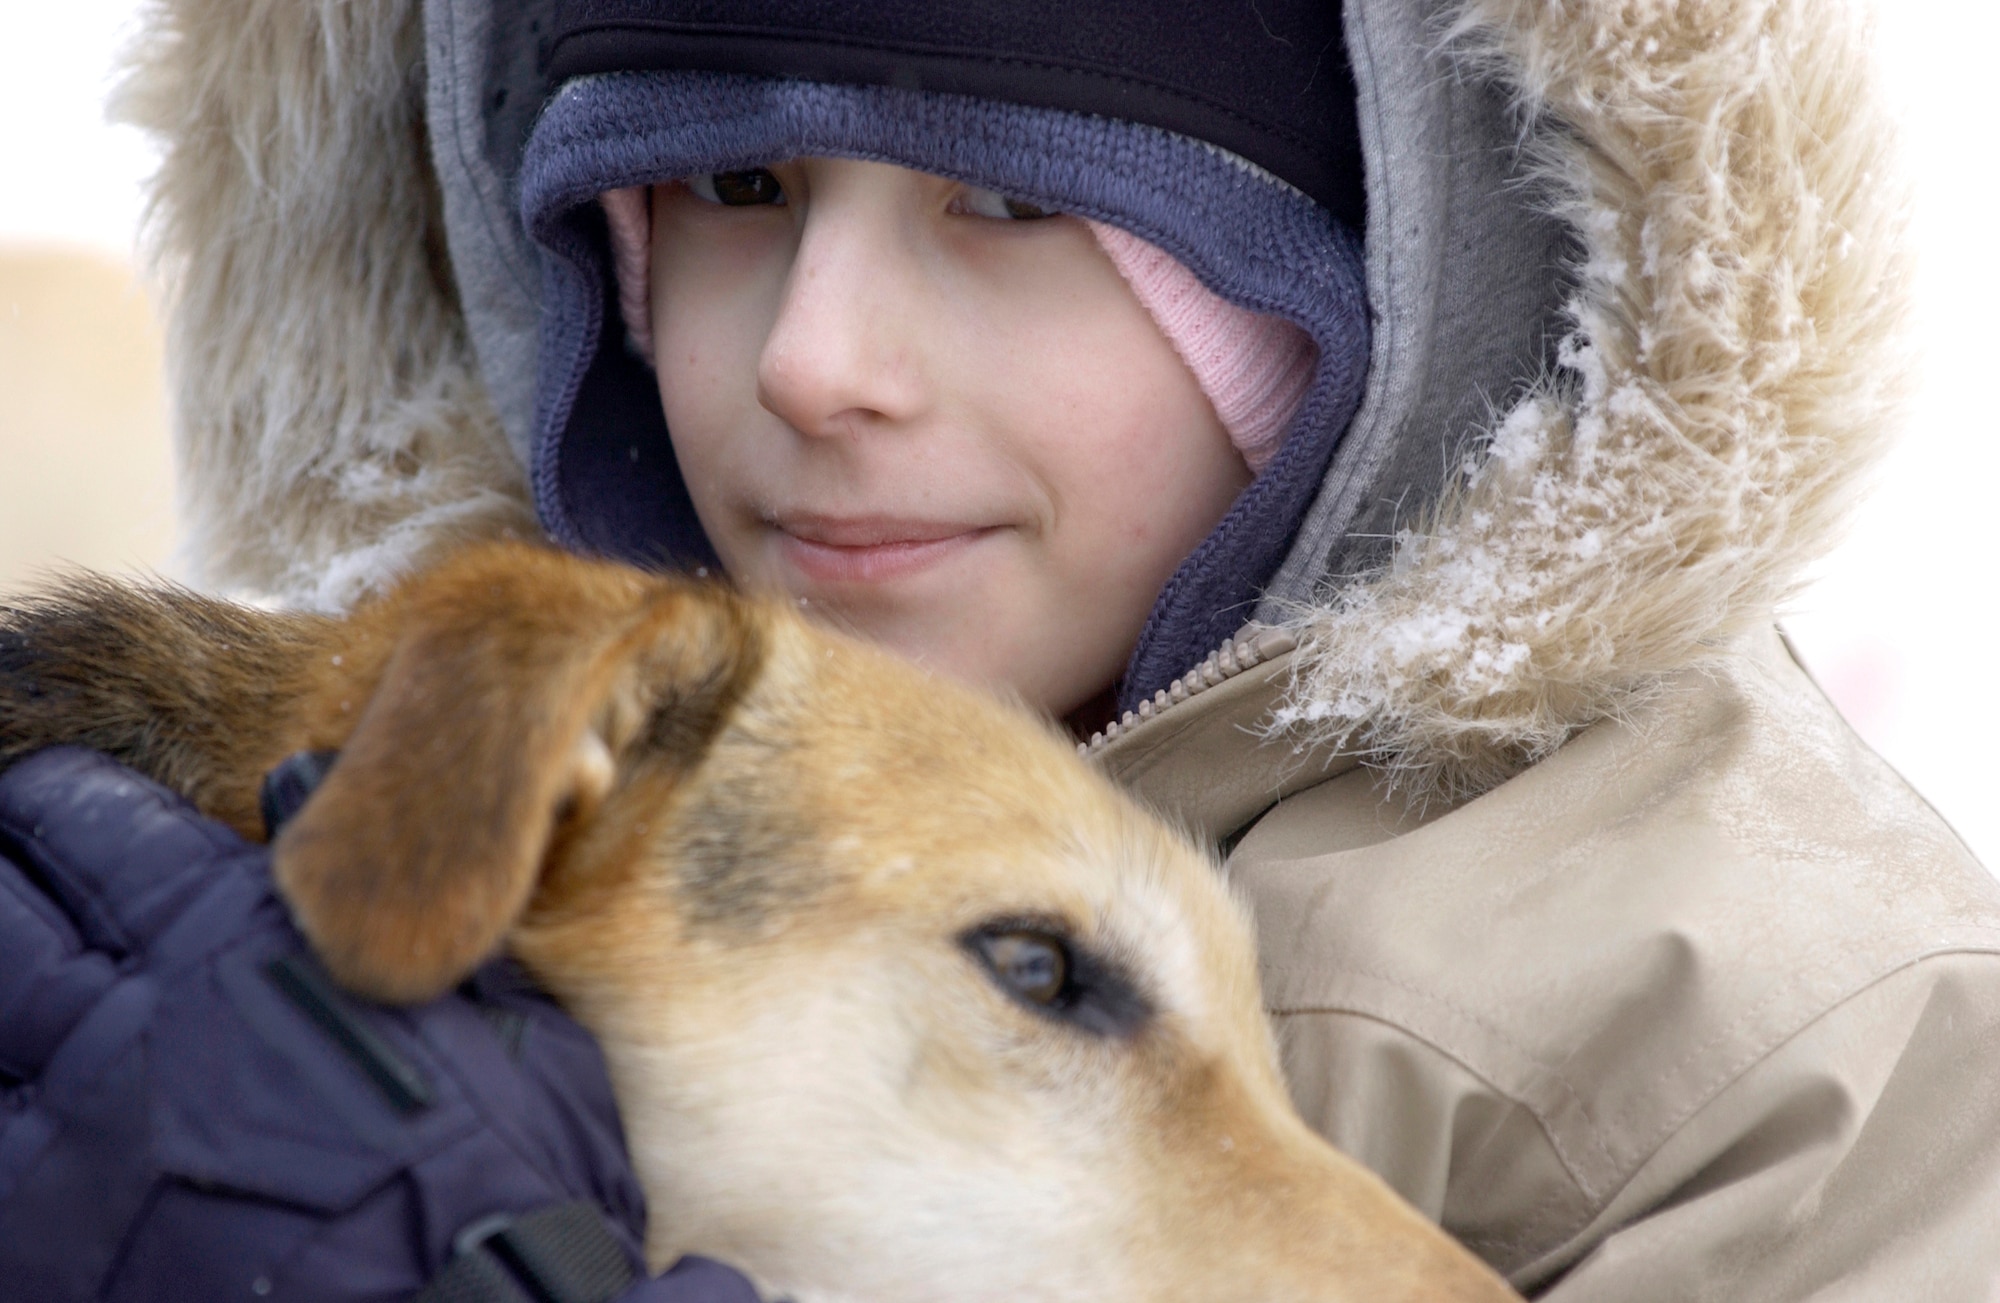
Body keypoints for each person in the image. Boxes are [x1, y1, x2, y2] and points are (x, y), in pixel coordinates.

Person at [6, 0, 2000, 1298]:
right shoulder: (401, 780)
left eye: (1013, 206)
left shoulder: (1798, 1039)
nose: (813, 357)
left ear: (1387, 296)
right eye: (728, 187)